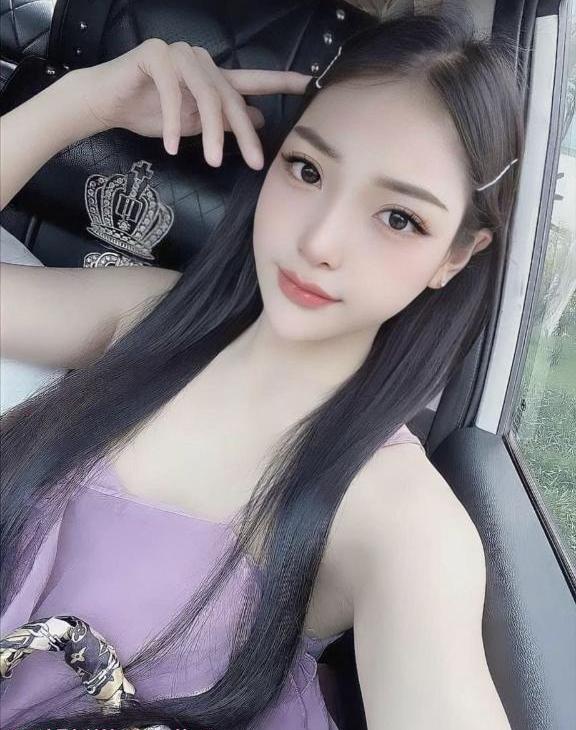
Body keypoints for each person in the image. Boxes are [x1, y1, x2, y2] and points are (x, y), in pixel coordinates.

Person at [0, 10, 523, 730]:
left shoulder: (399, 519)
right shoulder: (148, 318)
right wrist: (80, 103)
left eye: (399, 218)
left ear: (455, 257)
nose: (320, 241)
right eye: (307, 170)